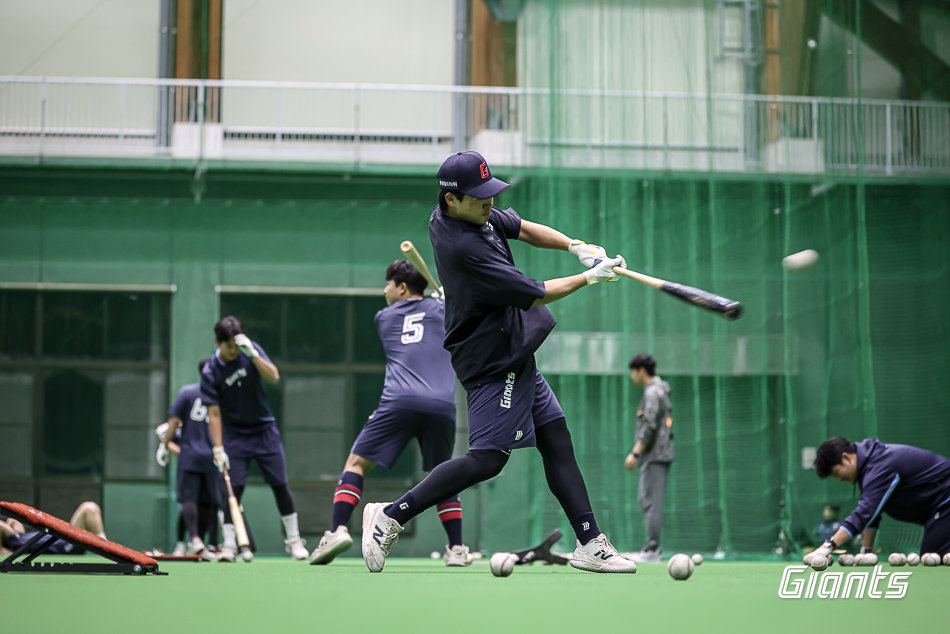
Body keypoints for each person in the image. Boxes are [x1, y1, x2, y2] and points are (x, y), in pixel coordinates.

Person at [360, 150, 637, 573]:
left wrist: (576, 246)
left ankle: (590, 544)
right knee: (488, 459)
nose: (490, 202)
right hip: (492, 360)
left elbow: (522, 227)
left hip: (514, 348)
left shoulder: (473, 214)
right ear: (453, 200)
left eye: (492, 193)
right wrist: (589, 277)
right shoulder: (465, 247)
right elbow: (538, 290)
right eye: (480, 196)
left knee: (556, 439)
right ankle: (390, 516)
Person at [308, 261, 472, 567]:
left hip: (399, 401)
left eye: (388, 284)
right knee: (443, 476)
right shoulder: (446, 312)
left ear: (402, 287)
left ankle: (337, 530)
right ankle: (457, 548)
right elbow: (468, 318)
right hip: (441, 405)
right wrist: (454, 302)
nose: (385, 291)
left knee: (356, 464)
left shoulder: (384, 317)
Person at [200, 315, 308, 562]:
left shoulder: (250, 350)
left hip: (264, 431)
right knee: (233, 490)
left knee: (280, 484)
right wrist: (218, 447)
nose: (235, 350)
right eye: (230, 346)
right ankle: (228, 545)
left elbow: (273, 377)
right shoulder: (210, 372)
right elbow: (214, 414)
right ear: (218, 342)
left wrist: (253, 355)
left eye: (238, 344)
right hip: (235, 436)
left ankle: (294, 541)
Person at [809, 436, 950, 562]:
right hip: (939, 509)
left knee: (934, 558)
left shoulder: (880, 466)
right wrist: (866, 551)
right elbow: (873, 516)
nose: (839, 480)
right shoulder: (869, 468)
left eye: (836, 473)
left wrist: (828, 546)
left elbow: (864, 513)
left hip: (945, 502)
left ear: (846, 458)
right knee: (932, 557)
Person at [158, 357, 222, 559]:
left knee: (190, 499)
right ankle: (198, 542)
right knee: (205, 502)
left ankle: (195, 539)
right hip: (212, 457)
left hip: (191, 456)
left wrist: (164, 444)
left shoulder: (187, 392)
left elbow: (173, 421)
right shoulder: (220, 396)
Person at [623, 353, 673, 563]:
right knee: (646, 500)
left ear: (641, 370)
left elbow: (649, 424)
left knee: (651, 502)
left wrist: (635, 452)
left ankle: (652, 550)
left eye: (633, 372)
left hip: (655, 455)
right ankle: (651, 548)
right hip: (655, 455)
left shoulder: (653, 392)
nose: (632, 377)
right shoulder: (656, 390)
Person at [1, 501, 105, 556]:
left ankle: (104, 546)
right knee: (89, 508)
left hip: (65, 538)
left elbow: (13, 520)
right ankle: (104, 549)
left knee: (89, 507)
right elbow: (2, 527)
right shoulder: (15, 544)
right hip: (66, 545)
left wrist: (11, 525)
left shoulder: (19, 537)